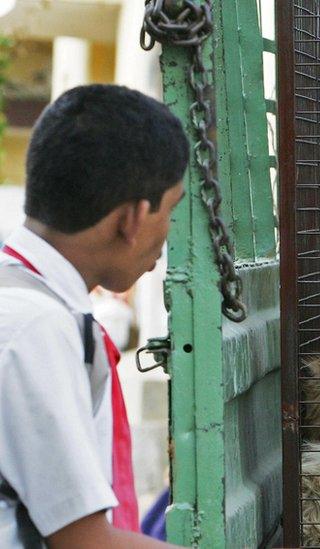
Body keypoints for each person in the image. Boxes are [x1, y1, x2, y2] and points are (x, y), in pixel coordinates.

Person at [0, 84, 188, 548]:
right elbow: (84, 542)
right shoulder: (35, 328)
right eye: (172, 209)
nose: (167, 234)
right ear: (133, 217)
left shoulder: (24, 297)